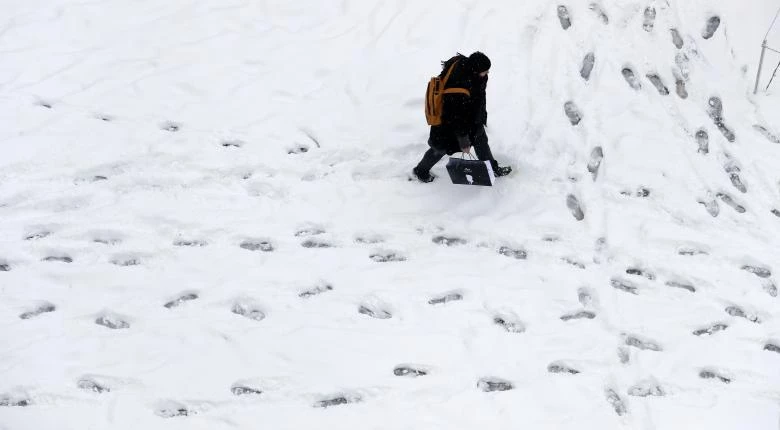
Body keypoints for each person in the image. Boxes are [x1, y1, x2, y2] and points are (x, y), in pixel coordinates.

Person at [412, 51, 512, 183]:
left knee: (481, 140)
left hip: (470, 118)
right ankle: (420, 170)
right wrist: (464, 141)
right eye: (485, 72)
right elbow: (457, 118)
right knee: (440, 147)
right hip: (447, 122)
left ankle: (491, 168)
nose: (487, 74)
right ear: (475, 71)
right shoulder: (458, 87)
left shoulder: (467, 66)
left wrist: (479, 116)